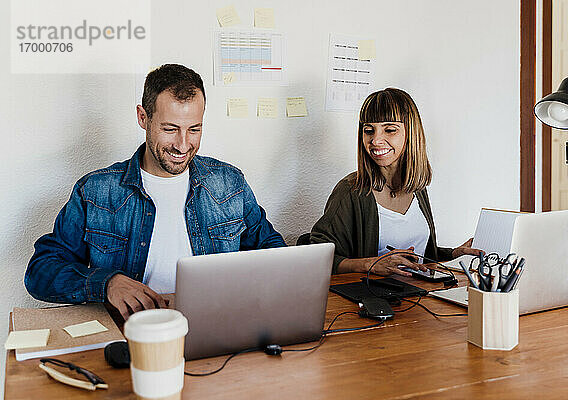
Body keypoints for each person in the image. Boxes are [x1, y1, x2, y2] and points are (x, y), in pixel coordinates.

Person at [25, 64, 286, 319]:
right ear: (143, 117)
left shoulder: (230, 184)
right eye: (170, 129)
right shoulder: (95, 191)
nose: (183, 145)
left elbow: (274, 252)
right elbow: (40, 272)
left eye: (194, 129)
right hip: (134, 333)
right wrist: (107, 283)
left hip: (217, 325)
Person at [310, 88, 479, 275]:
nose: (375, 140)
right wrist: (370, 264)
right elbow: (318, 258)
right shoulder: (351, 191)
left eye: (389, 130)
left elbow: (420, 256)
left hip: (424, 296)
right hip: (376, 300)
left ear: (411, 134)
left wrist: (455, 253)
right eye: (368, 130)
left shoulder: (418, 189)